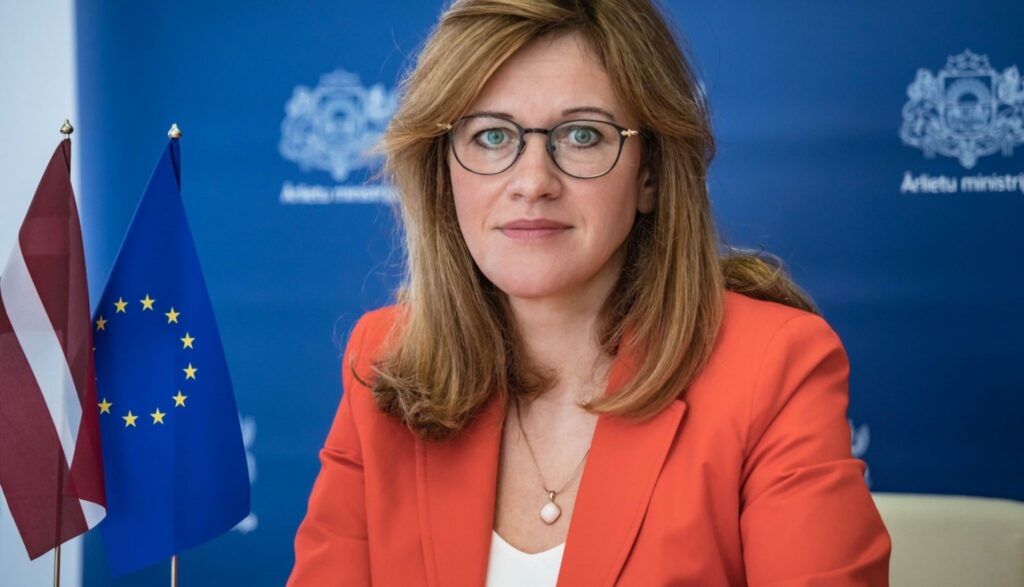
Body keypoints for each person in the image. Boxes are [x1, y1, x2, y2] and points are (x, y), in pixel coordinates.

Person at [288, 0, 892, 585]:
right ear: (443, 171)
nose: (533, 182)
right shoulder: (385, 360)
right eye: (492, 136)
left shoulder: (772, 366)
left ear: (649, 175)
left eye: (582, 135)